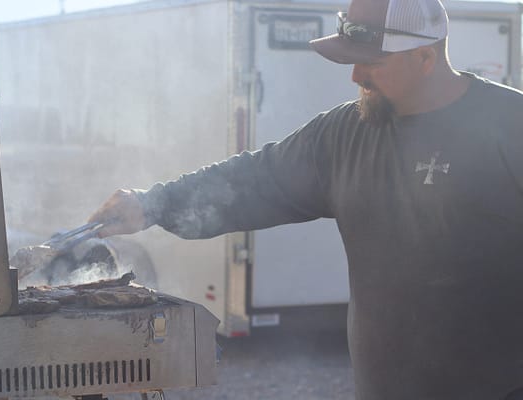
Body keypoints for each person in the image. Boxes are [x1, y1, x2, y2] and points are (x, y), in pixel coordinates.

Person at [88, 0, 523, 398]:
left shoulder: (510, 127)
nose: (355, 76)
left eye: (370, 62)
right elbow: (253, 179)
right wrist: (154, 204)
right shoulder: (342, 135)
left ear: (424, 57)